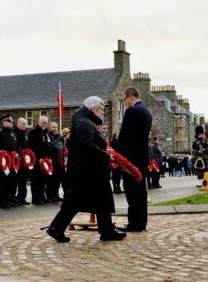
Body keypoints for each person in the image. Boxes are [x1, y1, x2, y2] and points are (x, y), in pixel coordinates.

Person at [46, 96, 126, 242]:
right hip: (85, 171)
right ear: (94, 109)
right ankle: (55, 228)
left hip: (90, 170)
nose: (103, 112)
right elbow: (87, 146)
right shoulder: (84, 123)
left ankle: (107, 230)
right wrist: (106, 156)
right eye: (101, 109)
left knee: (102, 200)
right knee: (75, 201)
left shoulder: (85, 121)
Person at [115, 87, 152, 232]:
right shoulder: (146, 111)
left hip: (131, 158)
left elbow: (125, 135)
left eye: (124, 99)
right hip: (142, 157)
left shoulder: (132, 111)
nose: (125, 102)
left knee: (131, 192)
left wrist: (117, 153)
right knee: (141, 193)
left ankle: (134, 223)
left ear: (130, 97)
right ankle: (141, 222)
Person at [28, 116, 52, 204]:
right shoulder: (33, 133)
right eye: (43, 122)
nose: (44, 124)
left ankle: (42, 196)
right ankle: (35, 198)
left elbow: (48, 147)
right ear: (38, 122)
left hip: (45, 161)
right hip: (37, 161)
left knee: (43, 180)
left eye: (46, 123)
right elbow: (33, 148)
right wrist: (39, 158)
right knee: (35, 181)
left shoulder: (47, 133)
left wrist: (49, 157)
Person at [0, 114, 19, 208]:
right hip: (4, 161)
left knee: (13, 181)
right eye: (9, 122)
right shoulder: (0, 133)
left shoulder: (13, 133)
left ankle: (12, 199)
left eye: (11, 122)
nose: (11, 123)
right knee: (4, 182)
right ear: (3, 122)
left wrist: (18, 153)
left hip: (13, 161)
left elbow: (17, 145)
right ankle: (3, 201)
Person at [14, 117, 30, 205]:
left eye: (25, 124)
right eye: (23, 124)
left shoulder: (24, 134)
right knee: (17, 181)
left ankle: (22, 198)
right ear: (18, 124)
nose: (25, 126)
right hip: (17, 161)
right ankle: (15, 198)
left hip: (25, 162)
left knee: (23, 182)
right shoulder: (14, 133)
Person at [48, 121, 63, 202]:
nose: (55, 129)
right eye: (53, 127)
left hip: (59, 161)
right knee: (52, 180)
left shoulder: (59, 136)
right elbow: (52, 146)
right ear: (50, 128)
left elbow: (61, 146)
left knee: (57, 180)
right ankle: (50, 195)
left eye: (56, 127)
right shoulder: (48, 136)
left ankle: (56, 195)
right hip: (52, 161)